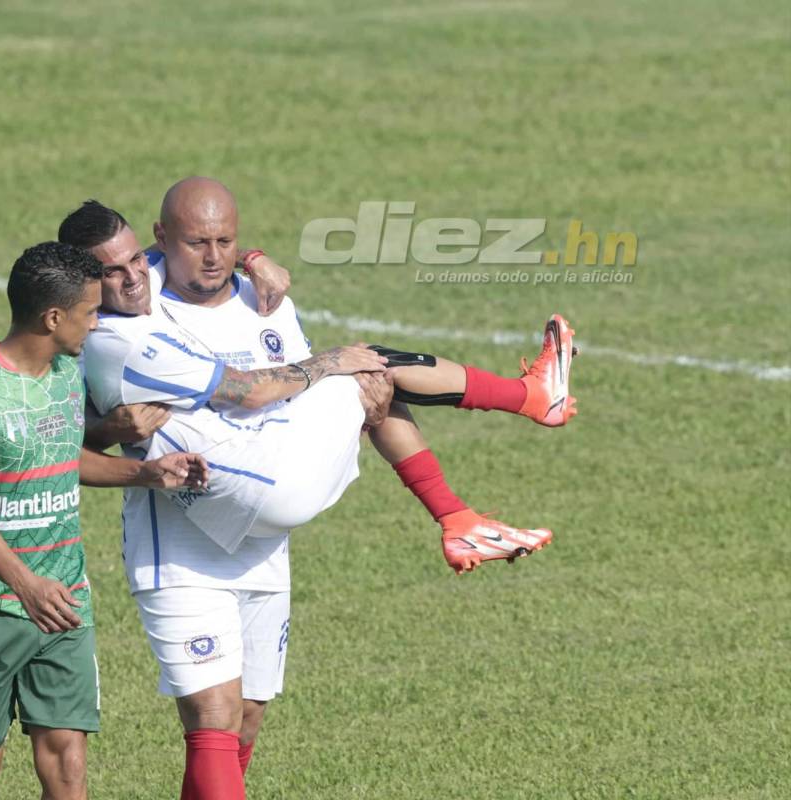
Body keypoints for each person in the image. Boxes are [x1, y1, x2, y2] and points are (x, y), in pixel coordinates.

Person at [66, 183, 576, 800]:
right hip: (190, 539)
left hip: (261, 530)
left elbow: (283, 388)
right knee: (212, 717)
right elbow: (254, 390)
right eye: (197, 242)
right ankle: (529, 400)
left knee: (246, 717)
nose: (211, 255)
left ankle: (459, 518)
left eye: (224, 241)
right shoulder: (114, 333)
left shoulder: (249, 295)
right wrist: (330, 364)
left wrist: (255, 259)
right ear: (164, 237)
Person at [0, 241, 208, 800]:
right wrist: (25, 584)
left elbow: (61, 459)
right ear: (53, 317)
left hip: (65, 599)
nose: (96, 323)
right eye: (89, 312)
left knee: (67, 770)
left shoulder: (65, 375)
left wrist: (147, 474)